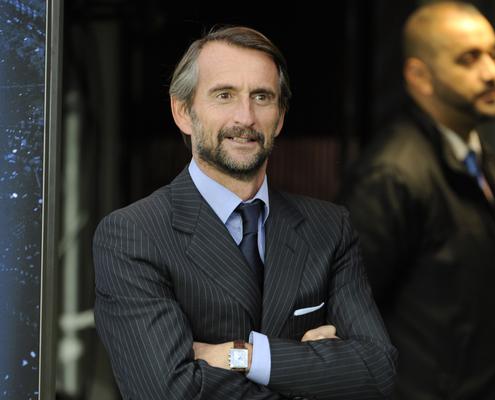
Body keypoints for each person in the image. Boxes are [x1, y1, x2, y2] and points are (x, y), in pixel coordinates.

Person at [93, 26, 397, 400]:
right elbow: (168, 392)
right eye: (224, 95)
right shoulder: (133, 235)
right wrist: (314, 375)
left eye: (262, 97)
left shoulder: (329, 228)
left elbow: (377, 371)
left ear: (280, 117)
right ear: (183, 112)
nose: (246, 117)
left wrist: (245, 357)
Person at [339, 2, 495, 399]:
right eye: (468, 59)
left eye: (493, 55)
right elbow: (344, 319)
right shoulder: (392, 175)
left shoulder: (484, 165)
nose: (491, 73)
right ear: (420, 77)